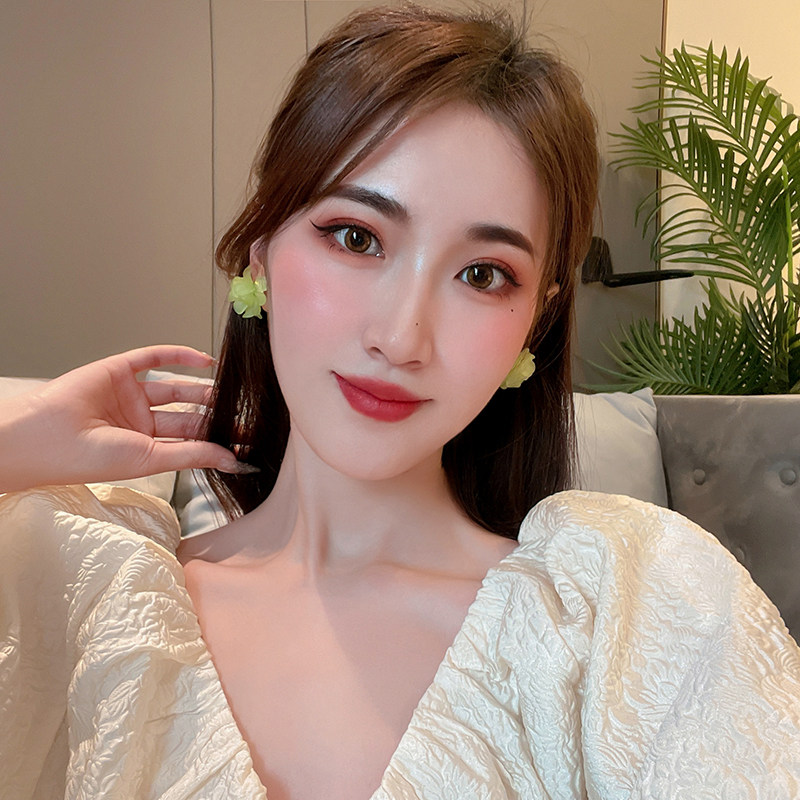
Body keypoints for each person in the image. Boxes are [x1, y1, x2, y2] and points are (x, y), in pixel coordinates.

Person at [1, 5, 798, 800]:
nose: (401, 337)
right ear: (260, 251)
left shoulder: (626, 617)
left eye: (483, 275)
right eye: (357, 237)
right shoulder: (89, 597)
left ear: (536, 321)